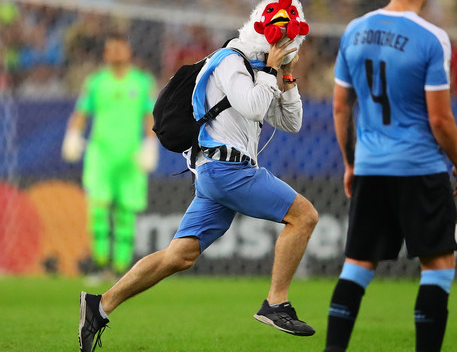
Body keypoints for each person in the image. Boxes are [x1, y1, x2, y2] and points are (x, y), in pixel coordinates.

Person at [77, 29, 319, 350]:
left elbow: (292, 122)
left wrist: (285, 74)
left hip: (216, 174)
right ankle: (276, 303)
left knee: (180, 256)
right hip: (228, 170)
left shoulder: (253, 76)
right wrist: (271, 71)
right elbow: (256, 108)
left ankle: (100, 306)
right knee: (304, 216)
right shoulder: (230, 62)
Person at [325, 0, 457, 352]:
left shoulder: (354, 31)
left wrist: (351, 163)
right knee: (438, 266)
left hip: (371, 166)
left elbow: (341, 106)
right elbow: (440, 120)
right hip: (419, 166)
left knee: (357, 267)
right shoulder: (432, 39)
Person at [62, 32, 159, 279]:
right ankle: (99, 263)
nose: (115, 53)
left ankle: (120, 268)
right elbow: (82, 111)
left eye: (119, 48)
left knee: (126, 212)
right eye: (110, 49)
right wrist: (73, 135)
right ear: (105, 53)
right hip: (101, 154)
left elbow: (149, 116)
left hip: (130, 155)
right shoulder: (95, 82)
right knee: (98, 208)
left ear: (128, 51)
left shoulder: (142, 82)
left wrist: (150, 144)